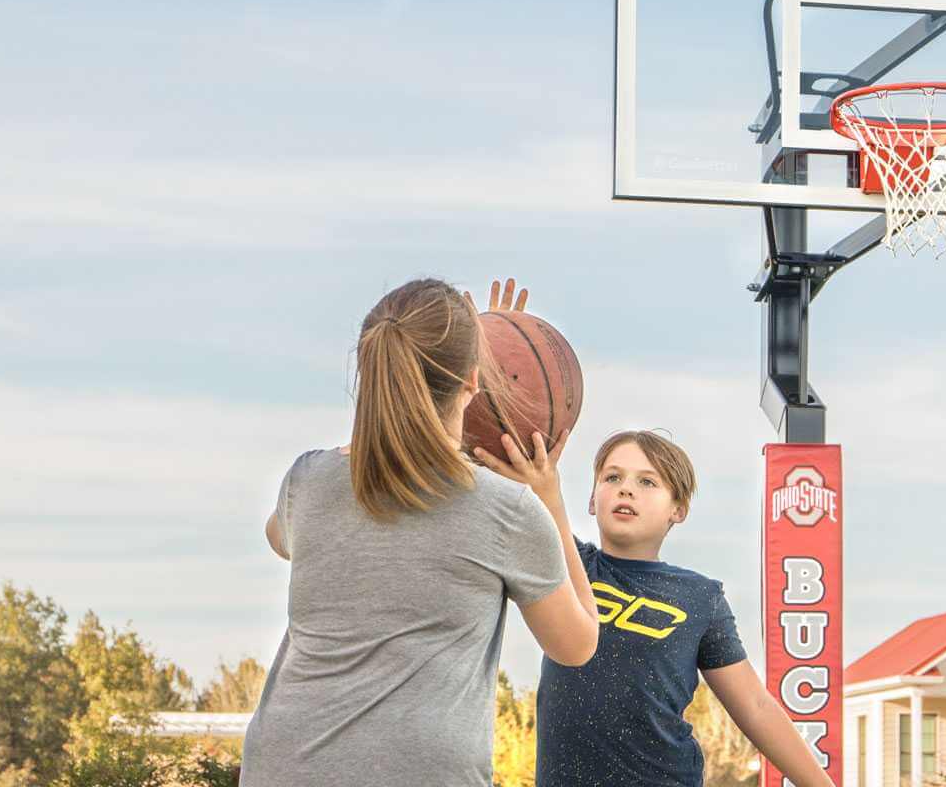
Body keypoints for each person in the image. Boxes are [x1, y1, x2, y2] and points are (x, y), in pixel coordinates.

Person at [473, 280, 835, 787]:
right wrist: (487, 364)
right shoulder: (566, 564)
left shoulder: (699, 597)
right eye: (613, 478)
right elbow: (495, 471)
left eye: (648, 482)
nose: (627, 490)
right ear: (591, 498)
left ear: (678, 509)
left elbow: (753, 705)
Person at [240, 278, 599, 786]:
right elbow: (577, 643)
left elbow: (279, 537)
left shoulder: (307, 482)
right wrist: (551, 501)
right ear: (472, 383)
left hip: (285, 766)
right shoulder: (506, 511)